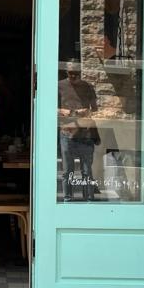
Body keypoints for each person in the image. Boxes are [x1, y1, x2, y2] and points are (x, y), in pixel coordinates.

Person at [57, 61, 99, 198]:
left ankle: (89, 200)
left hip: (85, 133)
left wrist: (86, 112)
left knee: (87, 171)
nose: (74, 76)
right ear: (66, 72)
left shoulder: (87, 86)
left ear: (81, 72)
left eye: (76, 73)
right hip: (67, 132)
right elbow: (50, 107)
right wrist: (64, 111)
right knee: (67, 170)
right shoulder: (59, 86)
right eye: (71, 73)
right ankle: (67, 199)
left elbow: (95, 109)